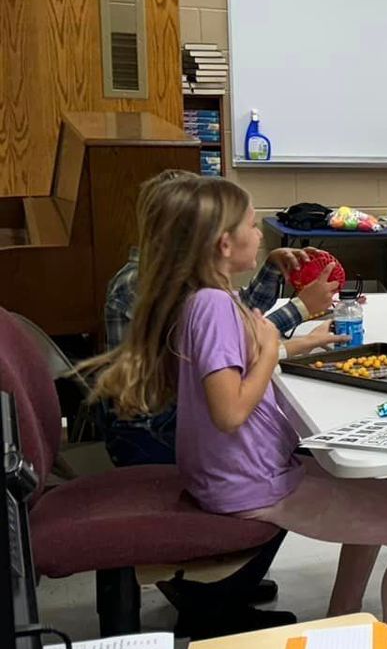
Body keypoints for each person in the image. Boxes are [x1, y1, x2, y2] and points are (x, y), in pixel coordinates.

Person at [85, 175, 387, 649]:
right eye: (253, 225)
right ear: (224, 243)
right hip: (250, 484)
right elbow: (229, 411)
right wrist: (271, 350)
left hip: (245, 473)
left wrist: (289, 344)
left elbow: (238, 360)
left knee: (383, 492)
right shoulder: (211, 306)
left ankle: (342, 619)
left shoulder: (207, 299)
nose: (261, 234)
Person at [101, 176, 341, 469]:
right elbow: (235, 344)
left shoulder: (193, 286)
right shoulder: (143, 283)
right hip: (153, 430)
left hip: (179, 416)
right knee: (309, 446)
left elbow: (233, 329)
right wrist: (301, 309)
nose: (259, 234)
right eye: (250, 225)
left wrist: (272, 270)